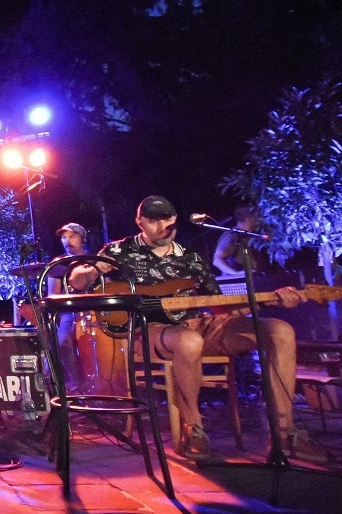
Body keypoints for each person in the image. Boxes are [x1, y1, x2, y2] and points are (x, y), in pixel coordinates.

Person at [71, 196, 323, 461]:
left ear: (174, 219)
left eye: (166, 218)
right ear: (140, 222)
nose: (162, 226)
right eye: (153, 220)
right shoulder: (119, 251)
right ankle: (193, 427)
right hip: (150, 330)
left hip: (198, 325)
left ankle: (285, 433)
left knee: (279, 331)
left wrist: (267, 301)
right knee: (189, 341)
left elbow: (219, 307)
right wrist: (91, 272)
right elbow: (77, 281)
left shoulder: (190, 258)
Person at [45, 223, 94, 393]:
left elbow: (108, 287)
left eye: (72, 236)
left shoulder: (96, 262)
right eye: (64, 238)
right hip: (70, 311)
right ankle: (77, 383)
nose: (67, 241)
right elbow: (53, 295)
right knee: (63, 341)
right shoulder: (58, 264)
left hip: (96, 310)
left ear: (82, 238)